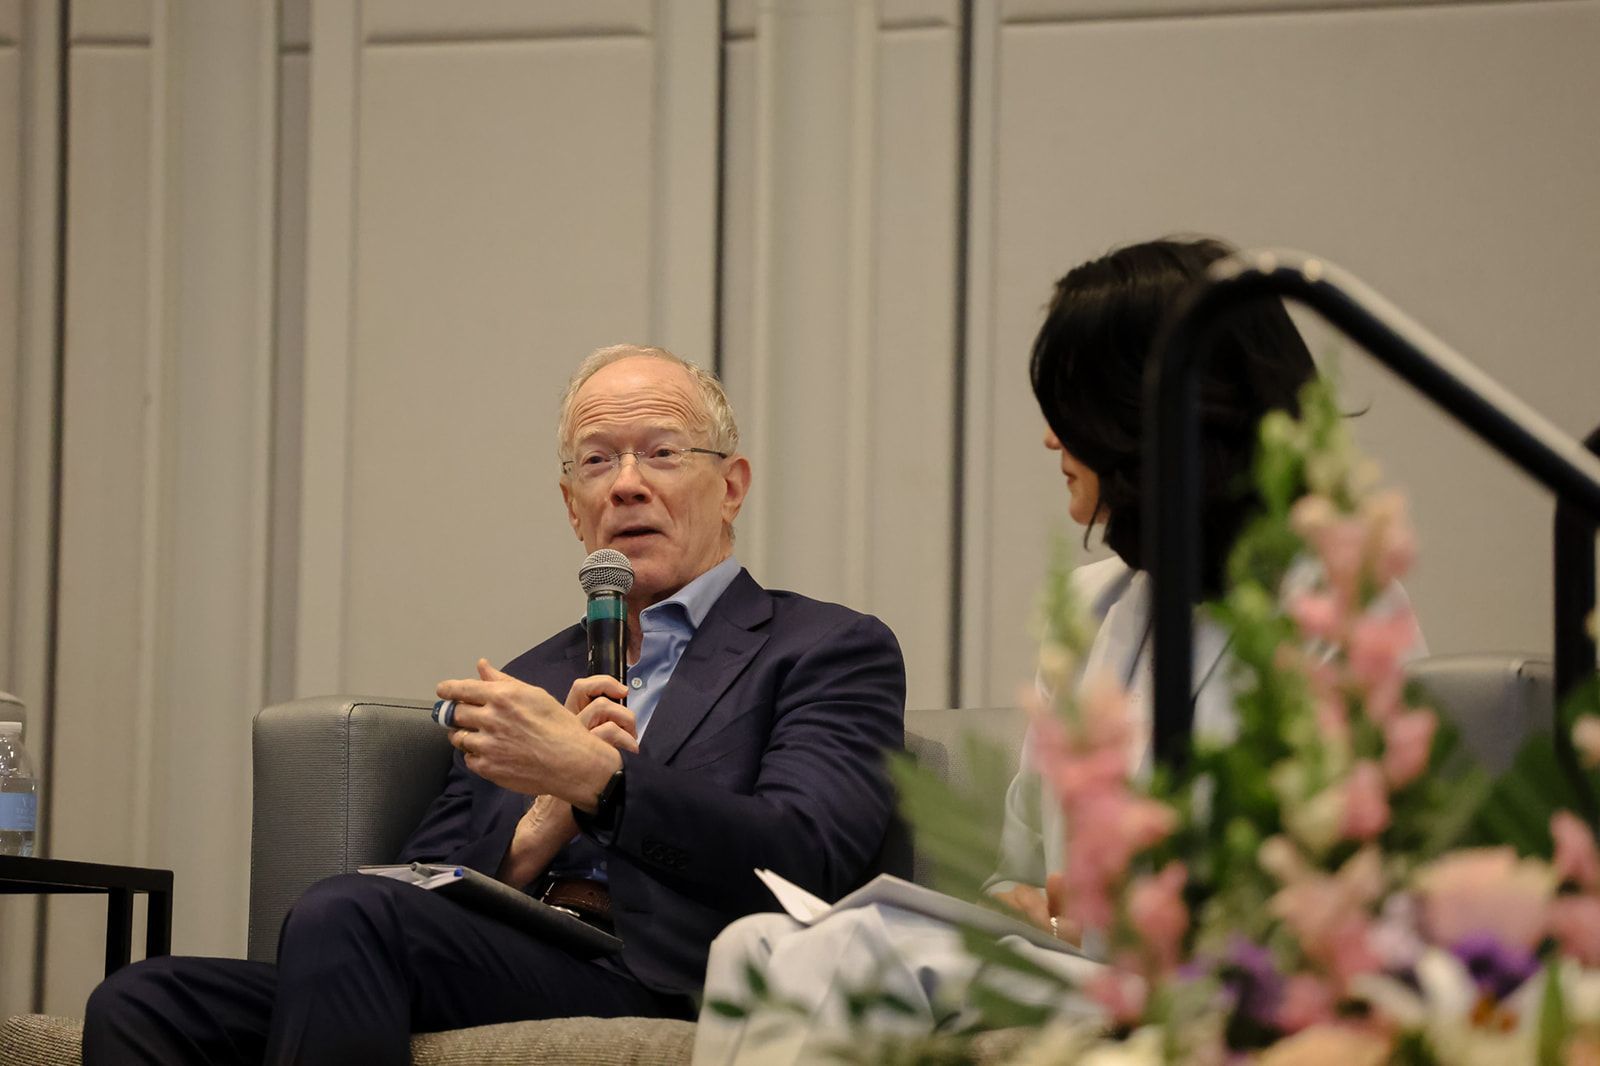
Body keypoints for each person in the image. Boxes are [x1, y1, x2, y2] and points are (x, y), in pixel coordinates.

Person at [692, 236, 1422, 1064]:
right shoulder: (1095, 606)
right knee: (753, 944)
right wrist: (1021, 898)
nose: (1048, 441)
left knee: (848, 954)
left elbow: (1346, 890)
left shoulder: (1335, 610)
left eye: (1067, 412)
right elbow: (1018, 865)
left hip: (1218, 977)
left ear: (1136, 421)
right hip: (1072, 964)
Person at [84, 345, 908, 1065]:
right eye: (596, 462)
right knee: (145, 1000)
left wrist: (606, 784)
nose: (626, 486)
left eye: (660, 453)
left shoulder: (824, 647)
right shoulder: (529, 677)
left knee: (346, 914)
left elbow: (805, 860)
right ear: (569, 506)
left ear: (731, 486)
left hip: (671, 973)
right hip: (509, 956)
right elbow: (421, 877)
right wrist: (531, 833)